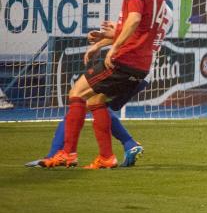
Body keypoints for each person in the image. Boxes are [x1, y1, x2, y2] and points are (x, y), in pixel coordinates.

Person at [42, 0, 169, 169]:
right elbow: (142, 28)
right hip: (143, 63)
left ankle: (67, 153)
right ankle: (107, 157)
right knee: (96, 101)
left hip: (125, 58)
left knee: (76, 93)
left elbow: (134, 21)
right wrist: (105, 39)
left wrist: (112, 47)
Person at [26, 18, 159, 168]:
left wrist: (103, 40)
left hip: (129, 65)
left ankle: (59, 154)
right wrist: (101, 42)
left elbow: (134, 36)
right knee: (94, 103)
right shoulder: (161, 7)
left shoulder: (141, 2)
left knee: (80, 99)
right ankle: (127, 145)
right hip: (143, 70)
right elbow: (136, 36)